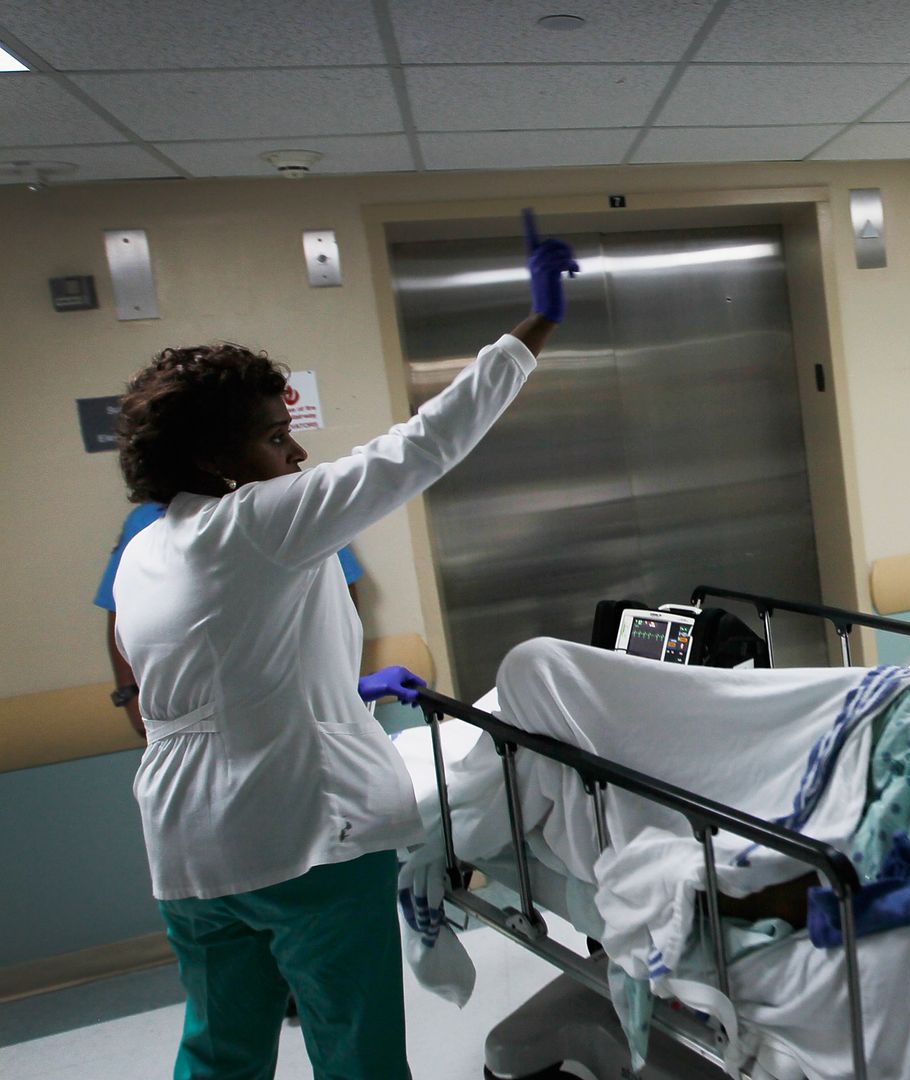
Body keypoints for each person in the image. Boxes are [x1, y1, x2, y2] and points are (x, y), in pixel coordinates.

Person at [111, 215, 576, 1080]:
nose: (295, 454)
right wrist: (534, 326)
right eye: (273, 438)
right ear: (218, 460)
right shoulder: (252, 521)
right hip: (302, 841)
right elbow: (419, 448)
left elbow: (197, 680)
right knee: (355, 1051)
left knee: (219, 1052)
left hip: (186, 849)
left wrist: (344, 692)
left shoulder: (147, 546)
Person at [96, 503, 366, 742]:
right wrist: (128, 693)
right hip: (198, 711)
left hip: (292, 694)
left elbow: (343, 590)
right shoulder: (147, 522)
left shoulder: (294, 507)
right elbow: (121, 613)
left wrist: (342, 676)